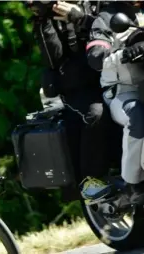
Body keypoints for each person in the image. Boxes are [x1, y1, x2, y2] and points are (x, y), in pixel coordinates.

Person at [23, 0, 118, 200]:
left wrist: (81, 18)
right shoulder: (53, 14)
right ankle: (91, 180)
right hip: (80, 87)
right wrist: (43, 19)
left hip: (119, 72)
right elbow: (53, 59)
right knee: (97, 114)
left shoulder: (101, 4)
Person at [82, 1, 144, 205]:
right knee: (137, 116)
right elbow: (95, 57)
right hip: (123, 91)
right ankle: (132, 183)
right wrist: (125, 54)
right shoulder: (106, 19)